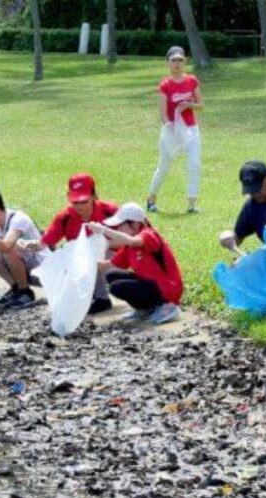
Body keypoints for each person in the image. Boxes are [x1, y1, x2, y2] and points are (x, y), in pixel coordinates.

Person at [27, 173, 119, 314]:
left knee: (93, 254)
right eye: (75, 202)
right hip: (86, 260)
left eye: (84, 201)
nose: (79, 206)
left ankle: (102, 297)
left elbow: (131, 238)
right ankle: (94, 296)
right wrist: (28, 245)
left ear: (94, 196)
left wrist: (103, 245)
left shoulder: (110, 211)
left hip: (117, 257)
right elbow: (45, 242)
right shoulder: (65, 217)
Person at [89, 203, 183, 324]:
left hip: (167, 288)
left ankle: (166, 306)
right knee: (112, 276)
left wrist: (104, 230)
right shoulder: (129, 246)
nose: (118, 229)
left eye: (121, 225)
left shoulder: (148, 234)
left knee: (117, 287)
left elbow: (132, 241)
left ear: (134, 224)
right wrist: (87, 264)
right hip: (150, 284)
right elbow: (108, 265)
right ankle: (145, 308)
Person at [146, 46, 204, 214]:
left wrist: (190, 105)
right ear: (168, 63)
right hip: (171, 131)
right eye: (173, 60)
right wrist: (172, 128)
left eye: (180, 60)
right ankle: (151, 199)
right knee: (164, 165)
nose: (177, 63)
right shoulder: (165, 85)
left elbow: (201, 106)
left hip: (191, 130)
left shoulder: (192, 81)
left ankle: (192, 205)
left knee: (194, 164)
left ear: (185, 61)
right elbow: (163, 114)